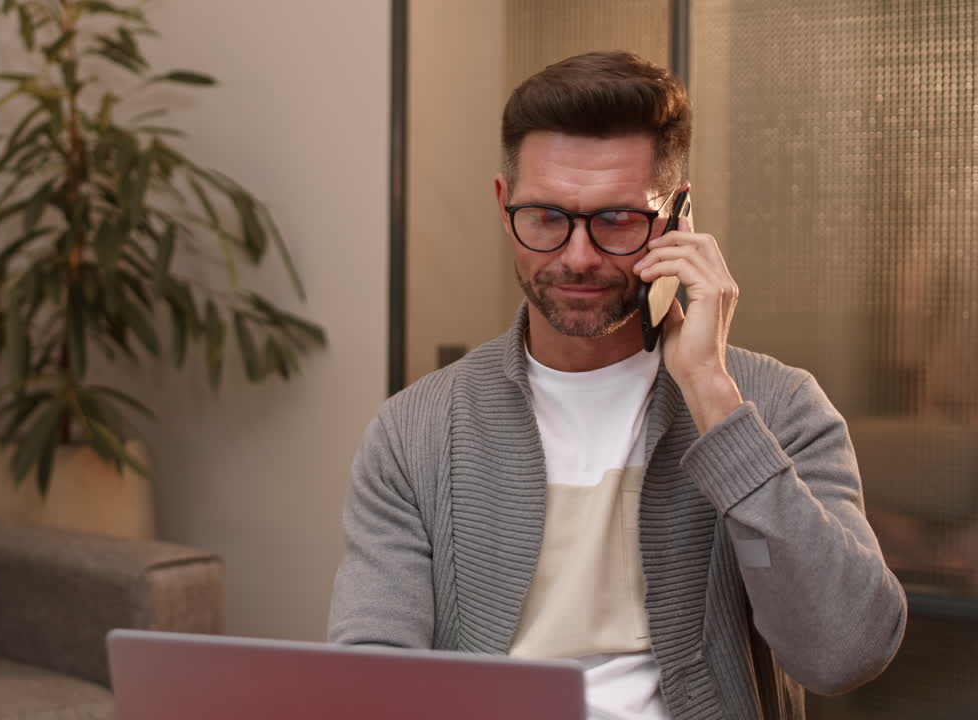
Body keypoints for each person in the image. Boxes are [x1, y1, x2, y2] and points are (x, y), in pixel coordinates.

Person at [328, 51, 906, 720]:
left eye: (616, 220)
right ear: (502, 203)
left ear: (677, 217)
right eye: (545, 216)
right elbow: (371, 679)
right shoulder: (415, 431)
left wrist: (713, 396)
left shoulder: (775, 405)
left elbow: (846, 655)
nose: (577, 256)